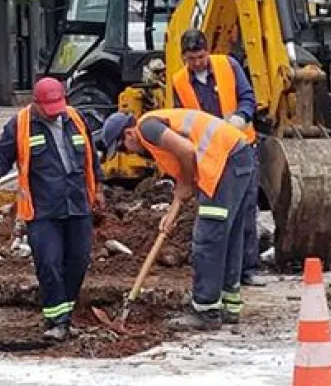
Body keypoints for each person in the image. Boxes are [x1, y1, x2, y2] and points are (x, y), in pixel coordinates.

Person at [102, 107, 256, 330]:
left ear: (128, 134)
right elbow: (186, 171)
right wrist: (174, 206)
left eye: (123, 148)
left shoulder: (147, 128)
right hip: (236, 157)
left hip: (225, 162)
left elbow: (187, 151)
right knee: (228, 235)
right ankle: (229, 305)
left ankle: (205, 310)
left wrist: (184, 184)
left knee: (208, 238)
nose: (129, 153)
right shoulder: (156, 124)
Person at [0, 77, 103, 342]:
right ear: (35, 103)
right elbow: (0, 156)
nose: (54, 114)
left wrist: (99, 190)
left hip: (77, 205)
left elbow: (91, 158)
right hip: (43, 210)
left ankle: (65, 314)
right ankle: (56, 321)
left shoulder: (76, 119)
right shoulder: (20, 124)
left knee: (78, 261)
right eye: (48, 109)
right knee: (49, 263)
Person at [171, 29, 265, 287]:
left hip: (240, 148)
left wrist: (241, 117)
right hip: (210, 156)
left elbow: (248, 98)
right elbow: (181, 120)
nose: (197, 63)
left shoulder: (228, 66)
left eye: (200, 57)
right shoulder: (180, 82)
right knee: (218, 213)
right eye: (191, 59)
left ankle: (246, 269)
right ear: (184, 57)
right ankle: (223, 270)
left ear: (208, 51)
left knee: (245, 209)